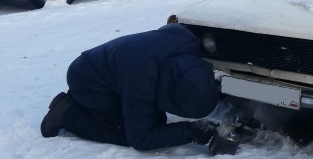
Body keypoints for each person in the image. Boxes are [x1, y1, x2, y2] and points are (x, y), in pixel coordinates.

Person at [40, 23, 221, 151]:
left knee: (155, 122)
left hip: (113, 67)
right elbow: (141, 139)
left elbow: (170, 29)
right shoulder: (141, 84)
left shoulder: (188, 42)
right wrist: (188, 132)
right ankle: (66, 112)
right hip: (87, 81)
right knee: (124, 133)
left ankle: (83, 103)